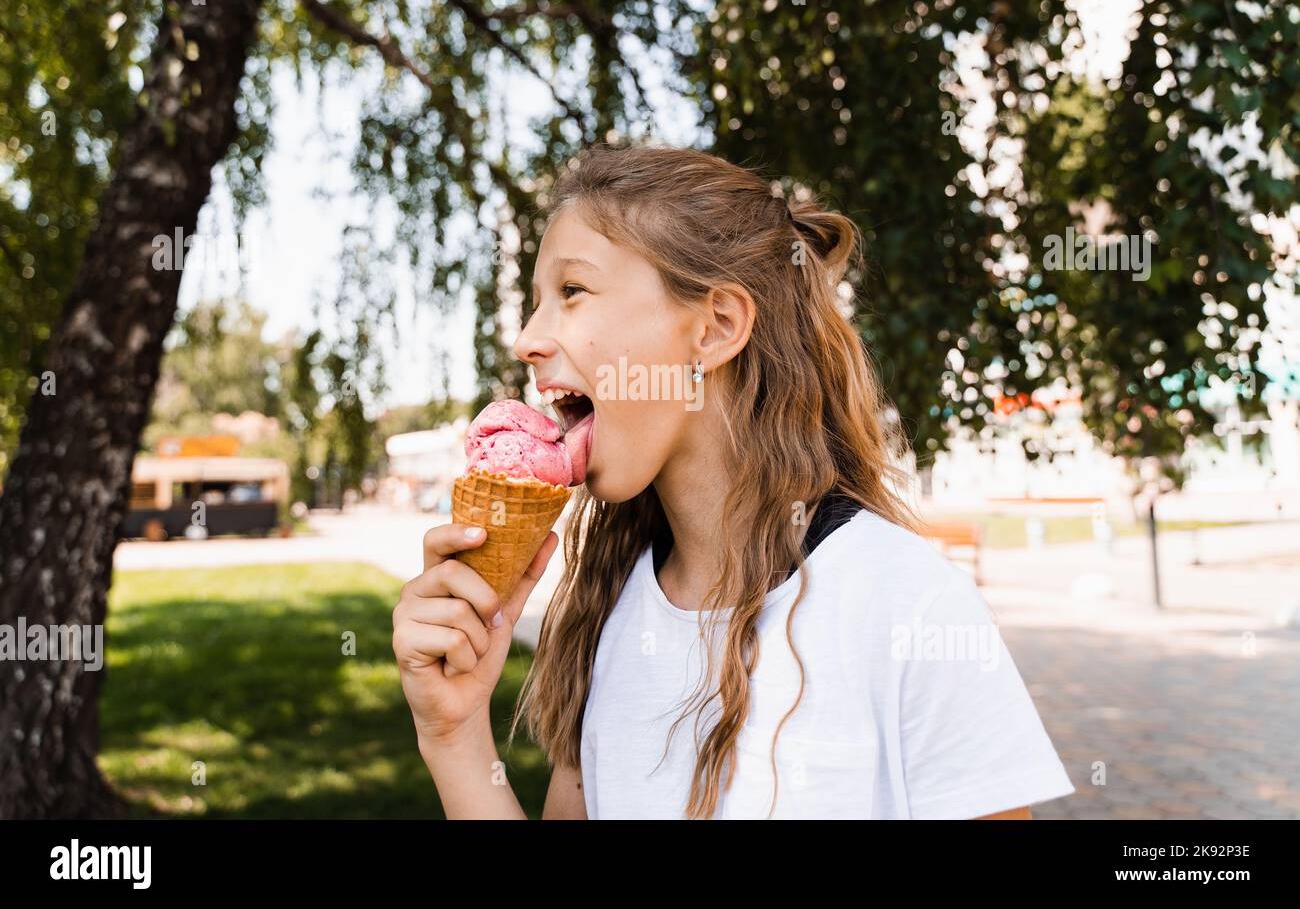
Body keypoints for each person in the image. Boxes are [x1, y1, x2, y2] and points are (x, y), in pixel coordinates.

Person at [392, 143, 1075, 819]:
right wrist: (453, 736)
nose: (528, 339)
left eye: (572, 291)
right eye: (537, 301)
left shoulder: (909, 607)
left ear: (715, 327)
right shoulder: (605, 607)